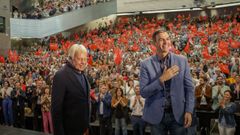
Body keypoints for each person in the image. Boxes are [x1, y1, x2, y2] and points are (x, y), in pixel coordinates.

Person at [139, 29, 195, 135]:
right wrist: (161, 79)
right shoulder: (145, 64)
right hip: (156, 117)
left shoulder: (182, 60)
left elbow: (189, 89)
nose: (166, 42)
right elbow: (143, 92)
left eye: (168, 39)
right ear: (154, 43)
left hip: (178, 115)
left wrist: (189, 110)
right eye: (161, 40)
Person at [51, 44, 90, 135]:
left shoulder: (82, 74)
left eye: (85, 59)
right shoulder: (61, 75)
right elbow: (56, 111)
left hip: (84, 130)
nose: (83, 62)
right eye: (80, 59)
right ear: (71, 58)